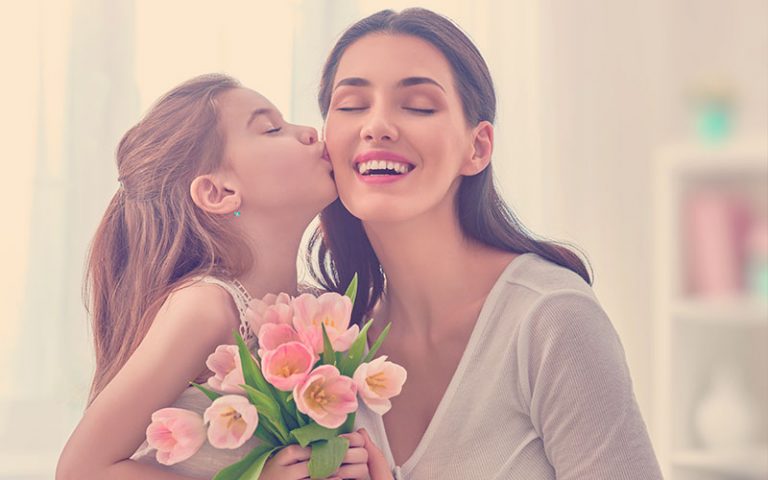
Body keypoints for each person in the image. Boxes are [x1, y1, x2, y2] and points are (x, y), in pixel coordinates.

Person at [310, 8, 663, 480]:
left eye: (417, 105)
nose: (377, 125)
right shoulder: (321, 344)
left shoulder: (549, 319)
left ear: (477, 148)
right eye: (351, 105)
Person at [56, 74, 371, 480]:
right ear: (218, 192)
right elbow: (81, 470)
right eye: (272, 128)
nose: (311, 133)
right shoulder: (207, 306)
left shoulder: (314, 310)